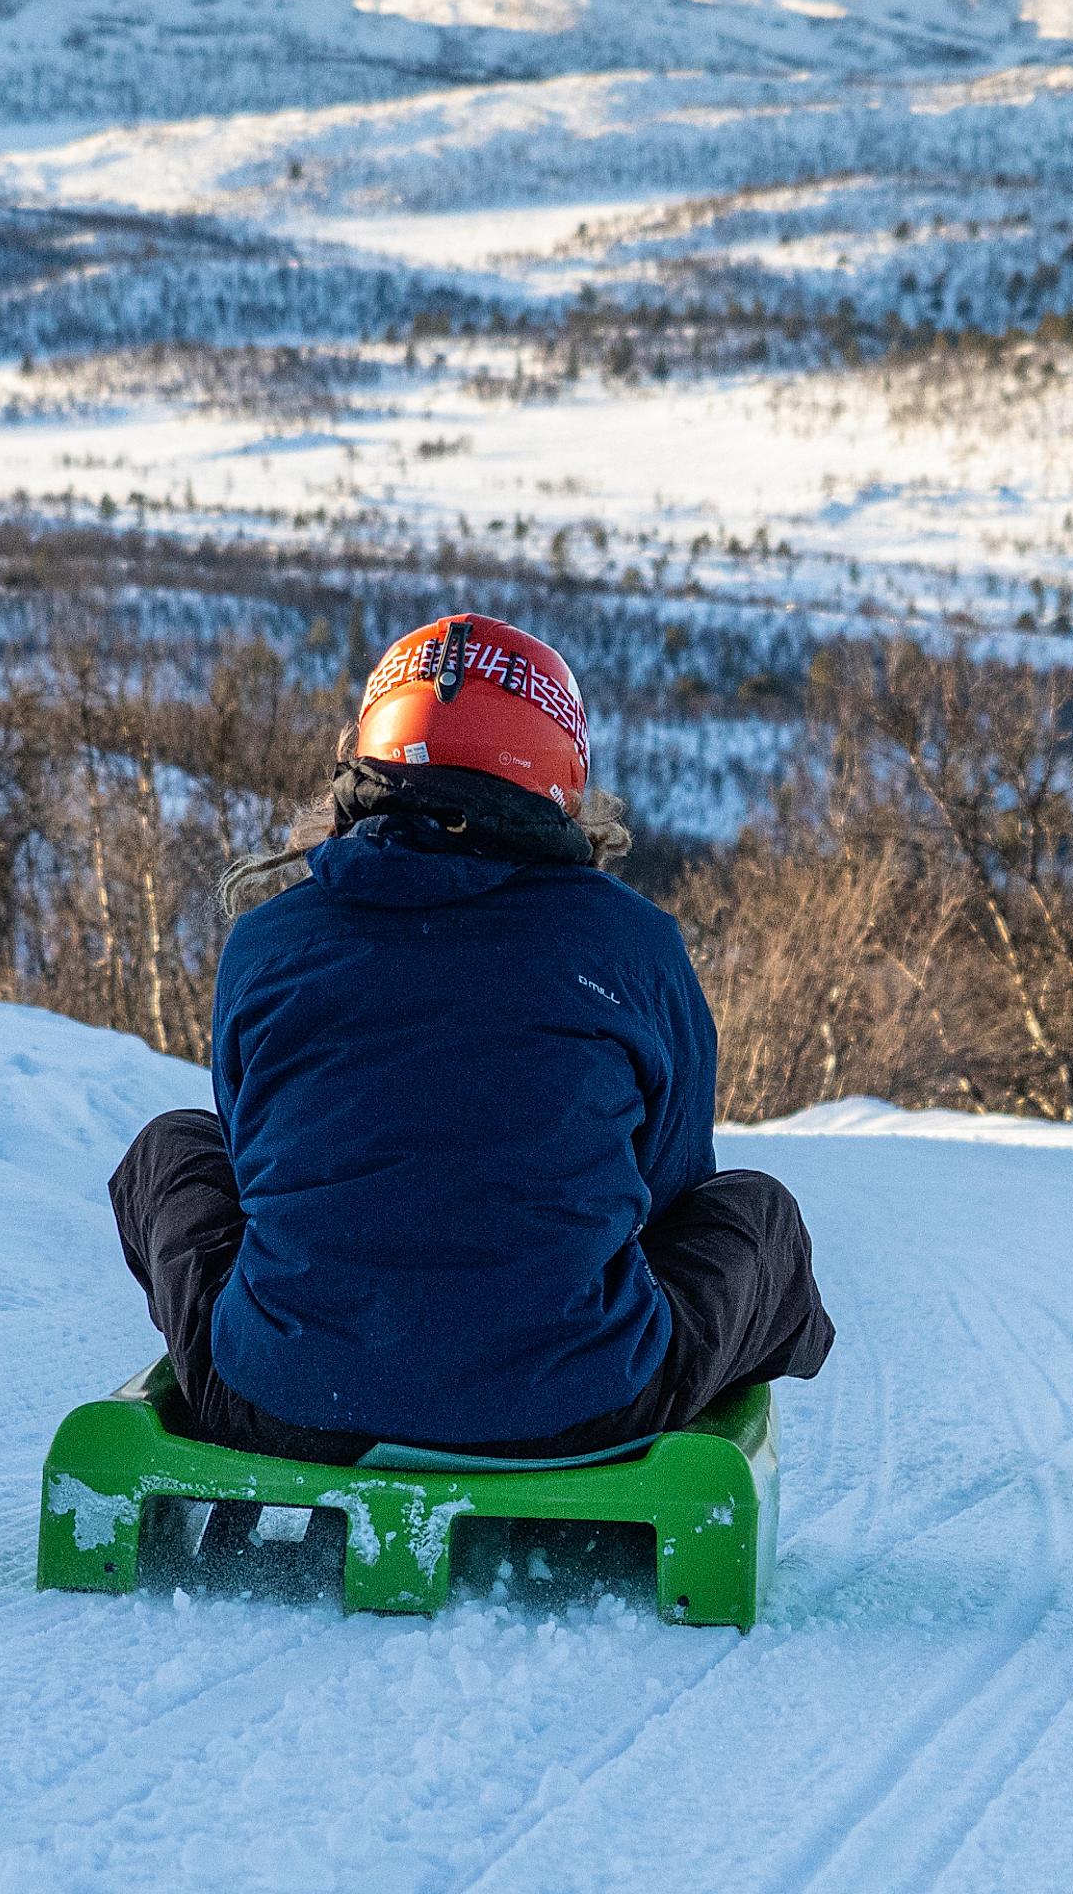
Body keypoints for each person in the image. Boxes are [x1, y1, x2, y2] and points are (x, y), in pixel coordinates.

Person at [108, 611, 833, 1463]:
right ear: (559, 774)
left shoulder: (269, 938)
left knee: (174, 1149)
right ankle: (709, 1401)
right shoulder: (632, 945)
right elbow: (669, 1186)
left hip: (281, 1402)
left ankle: (302, 1357)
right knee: (755, 1216)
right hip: (574, 1408)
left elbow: (256, 1154)